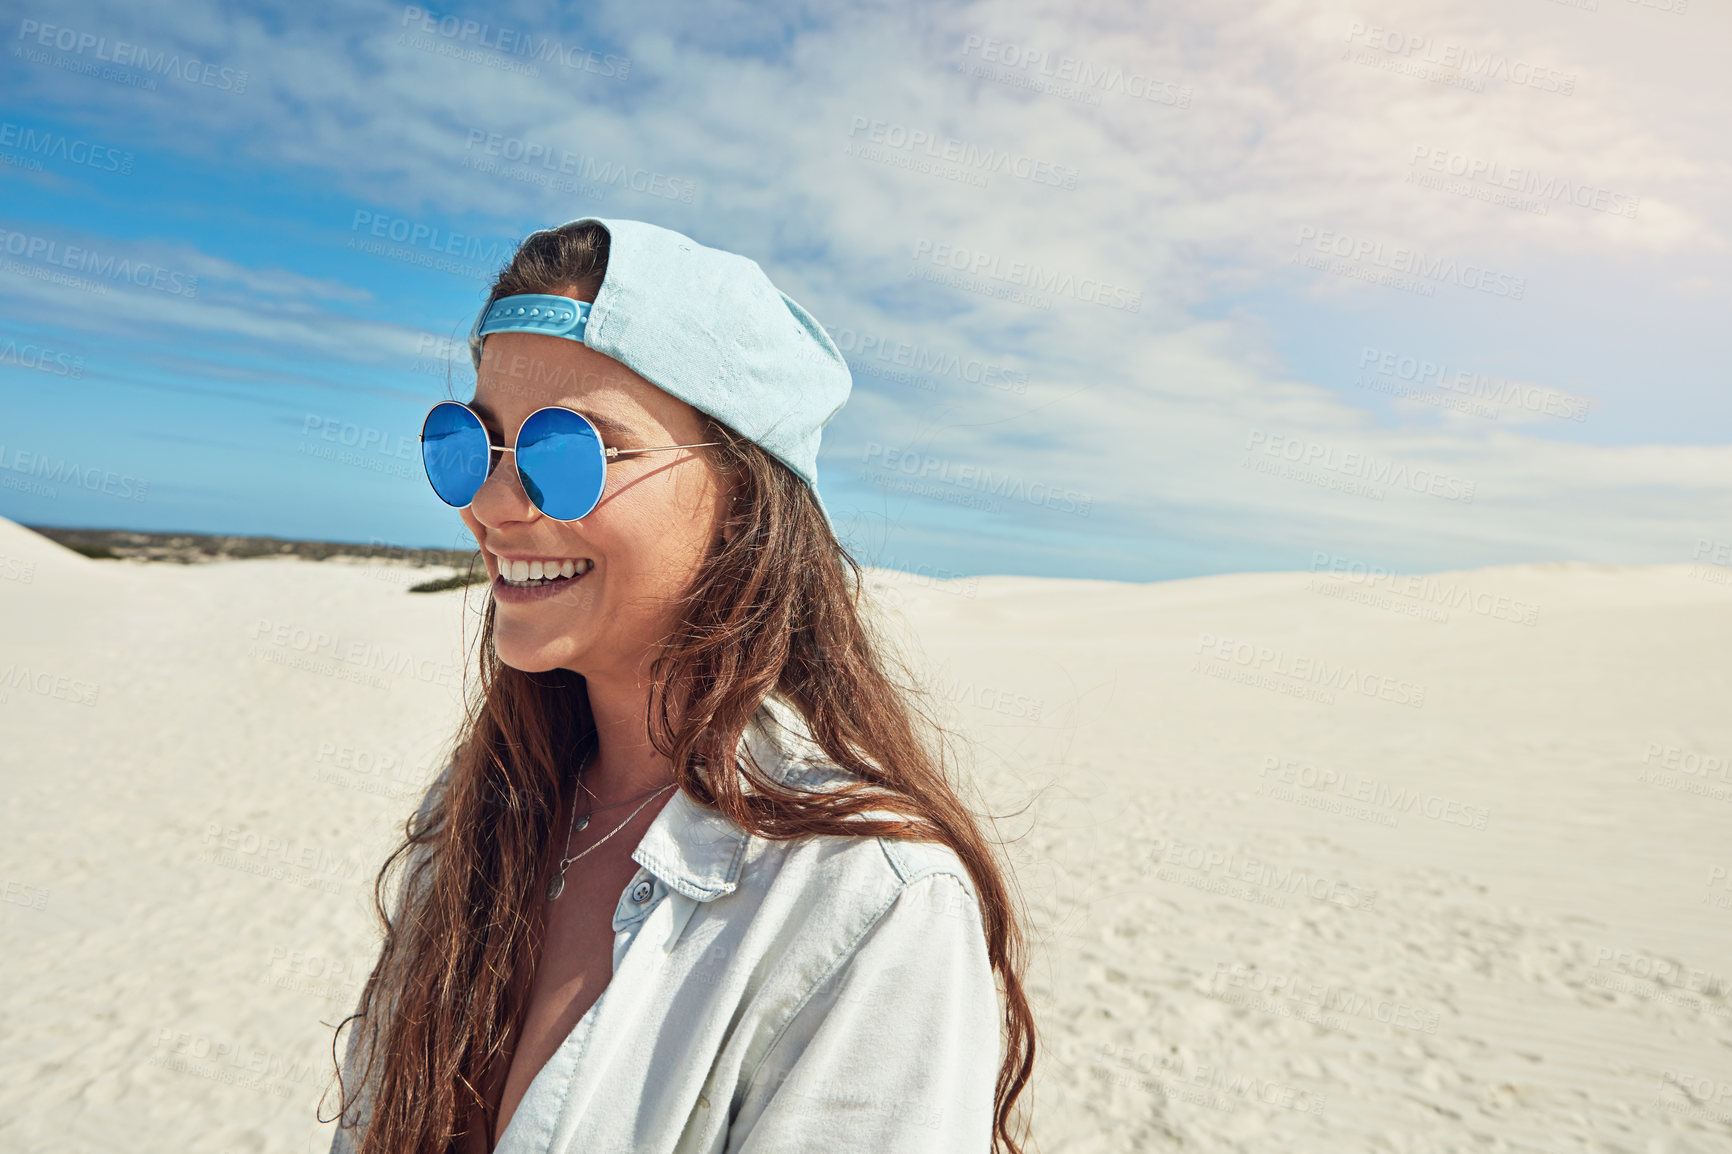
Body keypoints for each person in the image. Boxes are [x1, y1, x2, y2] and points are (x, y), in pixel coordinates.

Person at [322, 217, 1035, 1153]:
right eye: (472, 442)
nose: (492, 505)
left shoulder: (866, 905)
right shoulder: (476, 807)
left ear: (744, 493)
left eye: (570, 451)